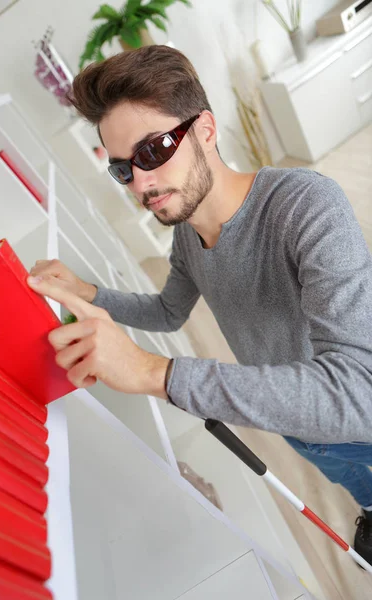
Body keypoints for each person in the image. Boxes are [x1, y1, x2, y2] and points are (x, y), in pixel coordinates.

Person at [27, 45, 372, 564]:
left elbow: (357, 393)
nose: (140, 184)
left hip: (357, 428)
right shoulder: (188, 237)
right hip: (297, 427)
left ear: (205, 130)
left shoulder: (306, 207)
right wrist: (89, 293)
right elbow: (168, 311)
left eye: (153, 150)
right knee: (357, 487)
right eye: (123, 169)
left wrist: (152, 372)